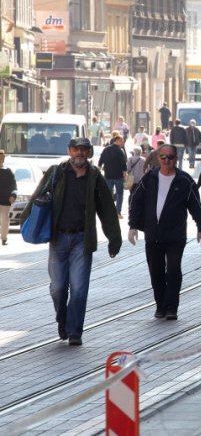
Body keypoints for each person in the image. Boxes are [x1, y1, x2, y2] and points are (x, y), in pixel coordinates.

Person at [21, 138, 122, 345]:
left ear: (89, 152)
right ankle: (63, 319)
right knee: (58, 288)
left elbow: (107, 210)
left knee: (79, 288)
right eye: (76, 149)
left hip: (81, 240)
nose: (80, 153)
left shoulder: (95, 177)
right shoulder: (56, 172)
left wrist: (114, 240)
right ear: (69, 151)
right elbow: (37, 197)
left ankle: (75, 331)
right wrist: (26, 223)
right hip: (58, 238)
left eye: (84, 150)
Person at [128, 144, 201, 321]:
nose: (167, 160)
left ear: (176, 159)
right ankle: (160, 305)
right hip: (153, 235)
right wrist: (133, 226)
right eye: (163, 157)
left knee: (173, 269)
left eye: (170, 157)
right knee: (156, 271)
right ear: (158, 158)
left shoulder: (184, 180)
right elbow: (136, 201)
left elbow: (196, 205)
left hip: (175, 235)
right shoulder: (149, 178)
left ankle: (172, 307)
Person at [98, 135, 128, 218]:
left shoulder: (106, 149)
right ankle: (118, 212)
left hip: (108, 176)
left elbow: (100, 161)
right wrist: (125, 174)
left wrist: (98, 170)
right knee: (119, 194)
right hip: (118, 176)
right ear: (116, 141)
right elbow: (123, 164)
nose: (122, 143)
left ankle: (108, 212)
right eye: (121, 141)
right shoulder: (119, 151)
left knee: (108, 194)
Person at [0, 149, 15, 246]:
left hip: (5, 201)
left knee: (5, 220)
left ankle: (4, 238)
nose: (1, 159)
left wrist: (13, 195)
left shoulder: (8, 171)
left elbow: (14, 185)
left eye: (2, 157)